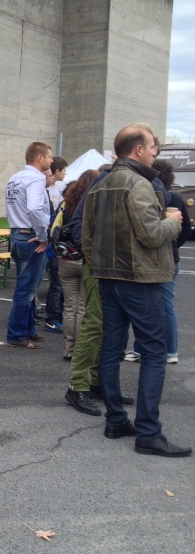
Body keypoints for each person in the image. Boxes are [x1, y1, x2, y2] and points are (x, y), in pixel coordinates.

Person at [83, 124, 190, 457]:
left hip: (107, 278)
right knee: (155, 354)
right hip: (141, 281)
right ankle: (148, 432)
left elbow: (86, 237)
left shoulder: (99, 185)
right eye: (152, 145)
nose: (155, 149)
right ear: (138, 150)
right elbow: (151, 234)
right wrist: (174, 220)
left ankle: (116, 420)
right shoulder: (138, 183)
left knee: (111, 350)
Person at [124, 160, 192, 364]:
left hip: (155, 258)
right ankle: (165, 350)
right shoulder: (176, 198)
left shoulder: (148, 196)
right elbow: (186, 230)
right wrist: (173, 247)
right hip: (171, 258)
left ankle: (152, 350)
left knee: (152, 304)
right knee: (162, 304)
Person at [4, 142, 52, 348]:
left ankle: (29, 331)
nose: (51, 161)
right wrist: (43, 235)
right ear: (39, 158)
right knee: (26, 290)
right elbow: (34, 208)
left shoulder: (14, 178)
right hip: (30, 236)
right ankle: (16, 335)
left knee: (29, 288)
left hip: (17, 234)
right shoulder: (35, 179)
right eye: (49, 157)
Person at [57, 170, 98, 361]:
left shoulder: (68, 202)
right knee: (83, 307)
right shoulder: (95, 203)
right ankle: (80, 351)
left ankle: (68, 349)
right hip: (86, 258)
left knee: (69, 306)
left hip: (66, 258)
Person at [43, 161, 67, 333]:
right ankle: (52, 319)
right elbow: (49, 223)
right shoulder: (46, 193)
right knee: (56, 286)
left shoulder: (57, 194)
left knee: (59, 286)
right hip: (54, 249)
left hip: (54, 247)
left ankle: (56, 317)